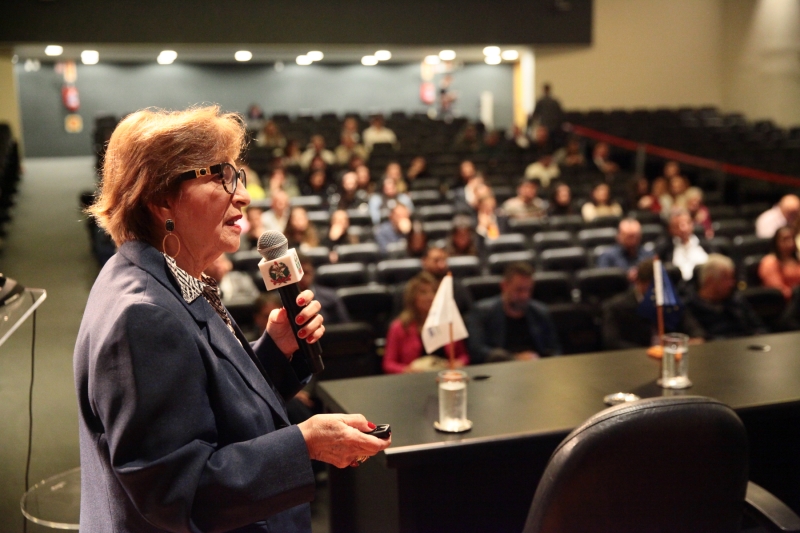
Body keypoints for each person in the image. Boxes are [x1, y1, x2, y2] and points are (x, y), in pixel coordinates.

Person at [76, 106, 389, 533]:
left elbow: (206, 405)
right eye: (221, 176)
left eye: (238, 176)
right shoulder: (143, 314)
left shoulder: (166, 277)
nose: (242, 194)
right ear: (160, 198)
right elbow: (178, 494)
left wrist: (274, 353)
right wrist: (304, 444)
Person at [467, 262, 562, 364]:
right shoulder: (482, 312)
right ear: (504, 286)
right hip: (500, 370)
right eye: (519, 290)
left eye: (528, 290)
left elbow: (555, 350)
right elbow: (476, 350)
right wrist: (514, 358)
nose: (524, 295)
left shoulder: (540, 312)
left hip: (537, 369)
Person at [602, 258, 705, 350]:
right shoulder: (616, 307)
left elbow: (695, 330)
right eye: (653, 286)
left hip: (670, 356)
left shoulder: (671, 302)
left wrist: (691, 341)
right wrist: (649, 351)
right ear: (639, 283)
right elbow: (612, 342)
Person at [383, 272, 469, 374]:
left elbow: (463, 356)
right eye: (423, 292)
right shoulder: (399, 327)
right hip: (413, 380)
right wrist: (407, 370)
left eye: (434, 292)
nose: (430, 297)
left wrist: (458, 363)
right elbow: (388, 364)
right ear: (412, 297)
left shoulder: (449, 322)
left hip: (444, 376)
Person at [686, 254, 767, 339]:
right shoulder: (690, 307)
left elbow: (760, 328)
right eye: (726, 278)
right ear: (709, 281)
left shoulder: (737, 301)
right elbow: (701, 339)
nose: (731, 284)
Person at [655, 209, 713, 281]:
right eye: (677, 225)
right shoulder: (664, 248)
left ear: (692, 224)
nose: (683, 229)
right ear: (670, 229)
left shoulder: (705, 244)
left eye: (687, 223)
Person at [297, 254, 351, 325]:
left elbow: (345, 326)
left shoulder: (331, 296)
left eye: (306, 273)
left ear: (313, 272)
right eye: (298, 274)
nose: (302, 278)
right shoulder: (279, 300)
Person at [421, 245, 473, 315]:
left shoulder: (458, 288)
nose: (441, 265)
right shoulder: (415, 287)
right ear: (424, 261)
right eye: (436, 261)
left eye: (443, 260)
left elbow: (470, 314)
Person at [759, 226, 800, 300]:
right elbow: (778, 290)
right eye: (785, 239)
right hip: (783, 303)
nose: (790, 242)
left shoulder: (798, 259)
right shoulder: (770, 262)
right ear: (776, 242)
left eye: (792, 238)